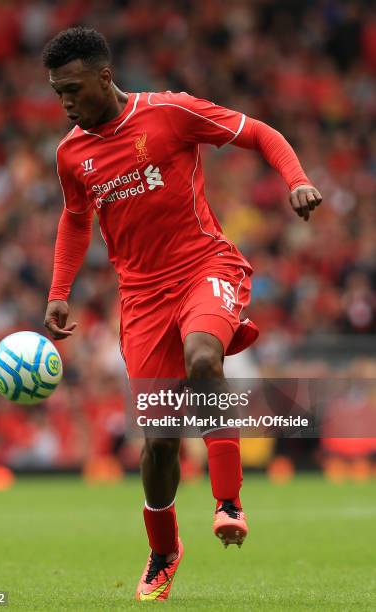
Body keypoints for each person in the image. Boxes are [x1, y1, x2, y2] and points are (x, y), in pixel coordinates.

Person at [42, 26, 322, 601]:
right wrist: (59, 288)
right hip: (141, 297)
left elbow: (259, 132)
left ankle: (228, 501)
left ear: (104, 76)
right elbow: (75, 219)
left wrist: (296, 180)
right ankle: (165, 549)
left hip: (205, 267)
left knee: (203, 356)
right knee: (161, 441)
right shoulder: (71, 152)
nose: (66, 105)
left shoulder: (170, 113)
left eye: (73, 90)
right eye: (57, 94)